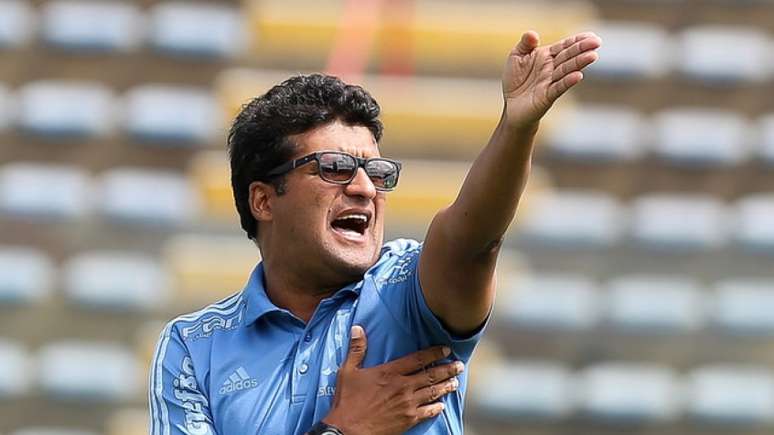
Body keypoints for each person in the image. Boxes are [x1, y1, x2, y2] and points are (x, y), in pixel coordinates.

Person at [149, 30, 601, 434]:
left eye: (376, 171)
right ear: (264, 200)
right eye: (335, 168)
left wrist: (516, 129)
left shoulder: (405, 290)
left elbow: (474, 240)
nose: (365, 188)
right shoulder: (194, 345)